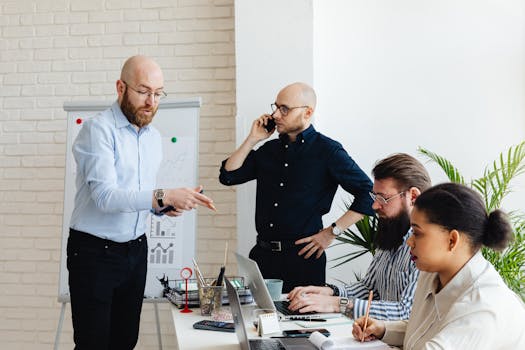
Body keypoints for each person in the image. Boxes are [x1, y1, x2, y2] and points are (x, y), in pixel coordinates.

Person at [67, 55, 215, 349]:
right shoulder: (98, 130)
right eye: (144, 91)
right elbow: (106, 197)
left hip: (135, 250)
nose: (151, 101)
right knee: (93, 344)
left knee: (125, 341)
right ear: (120, 87)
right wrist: (163, 195)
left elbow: (139, 194)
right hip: (95, 253)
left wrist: (162, 207)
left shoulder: (152, 138)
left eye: (158, 93)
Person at [219, 82, 374, 292]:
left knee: (303, 324)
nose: (275, 114)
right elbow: (229, 176)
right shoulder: (269, 150)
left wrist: (332, 232)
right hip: (263, 257)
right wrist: (252, 139)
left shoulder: (328, 151)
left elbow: (369, 193)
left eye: (284, 109)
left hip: (304, 261)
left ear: (307, 112)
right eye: (275, 106)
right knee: (257, 321)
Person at [352, 183, 525, 349]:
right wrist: (383, 329)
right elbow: (427, 329)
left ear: (452, 240)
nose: (410, 242)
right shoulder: (433, 273)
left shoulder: (481, 308)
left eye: (417, 233)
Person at [288, 153, 431, 320]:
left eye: (383, 198)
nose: (375, 205)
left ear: (413, 196)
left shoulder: (428, 247)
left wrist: (336, 304)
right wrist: (330, 292)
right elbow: (369, 288)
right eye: (374, 196)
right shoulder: (391, 232)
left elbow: (406, 312)